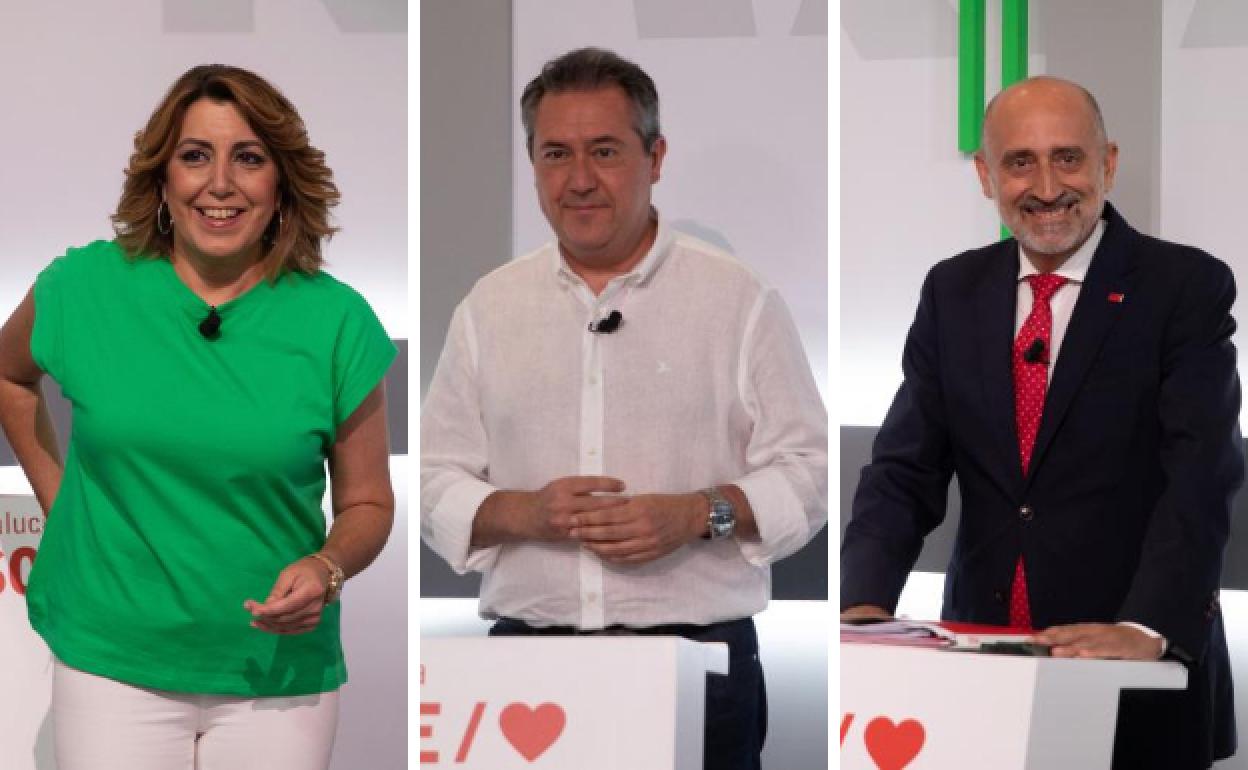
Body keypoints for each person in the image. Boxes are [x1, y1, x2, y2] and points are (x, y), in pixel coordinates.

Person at [421, 47, 827, 770]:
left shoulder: (738, 299)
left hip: (699, 660)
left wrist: (699, 513)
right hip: (523, 664)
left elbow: (810, 470)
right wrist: (526, 513)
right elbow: (433, 477)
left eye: (604, 151)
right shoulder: (489, 306)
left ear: (656, 155)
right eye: (556, 154)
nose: (579, 180)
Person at [0, 64, 396, 770]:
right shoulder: (84, 287)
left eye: (248, 157)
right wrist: (62, 504)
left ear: (281, 183)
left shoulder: (337, 320)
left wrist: (328, 566)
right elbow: (8, 374)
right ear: (162, 180)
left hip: (275, 678)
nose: (220, 183)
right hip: (111, 662)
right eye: (194, 156)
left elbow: (367, 501)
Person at [840, 75, 1242, 769]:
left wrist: (1146, 626)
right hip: (980, 668)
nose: (1047, 186)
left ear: (1108, 163)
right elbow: (905, 469)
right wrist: (860, 606)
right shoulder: (951, 290)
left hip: (1131, 663)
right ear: (985, 174)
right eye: (1020, 161)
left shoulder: (1183, 287)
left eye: (1069, 158)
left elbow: (1200, 474)